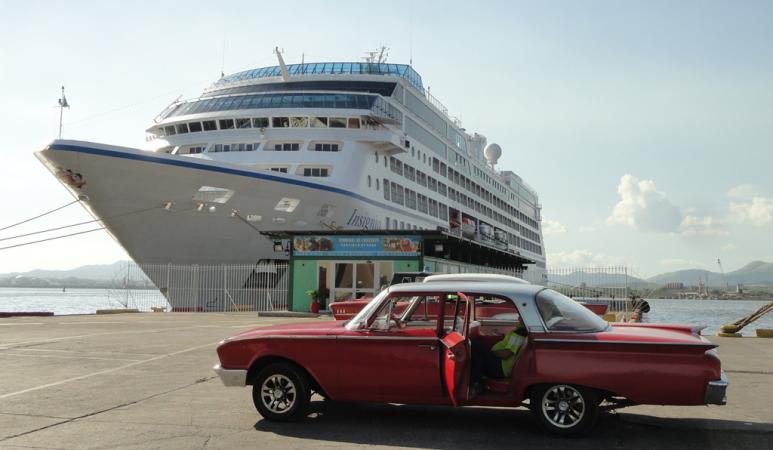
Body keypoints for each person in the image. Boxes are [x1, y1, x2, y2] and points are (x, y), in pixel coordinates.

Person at [471, 320, 528, 389]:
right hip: (500, 365)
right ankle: (476, 381)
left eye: (520, 316)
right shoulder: (519, 331)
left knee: (475, 345)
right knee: (479, 348)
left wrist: (490, 352)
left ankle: (475, 383)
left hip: (501, 368)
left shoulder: (519, 334)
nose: (518, 318)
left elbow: (506, 354)